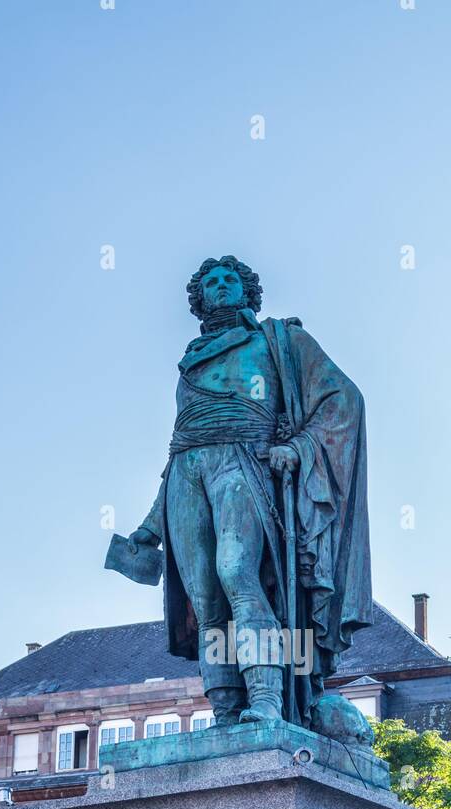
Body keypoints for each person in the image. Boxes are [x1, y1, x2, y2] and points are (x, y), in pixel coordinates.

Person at [121, 255, 372, 727]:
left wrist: (299, 446)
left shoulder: (280, 340)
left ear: (248, 289)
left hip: (246, 461)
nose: (220, 286)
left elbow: (344, 397)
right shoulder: (188, 362)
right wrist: (150, 524)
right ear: (198, 299)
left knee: (237, 573)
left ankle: (266, 700)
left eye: (229, 279)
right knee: (206, 599)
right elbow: (180, 445)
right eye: (210, 282)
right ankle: (225, 711)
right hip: (187, 471)